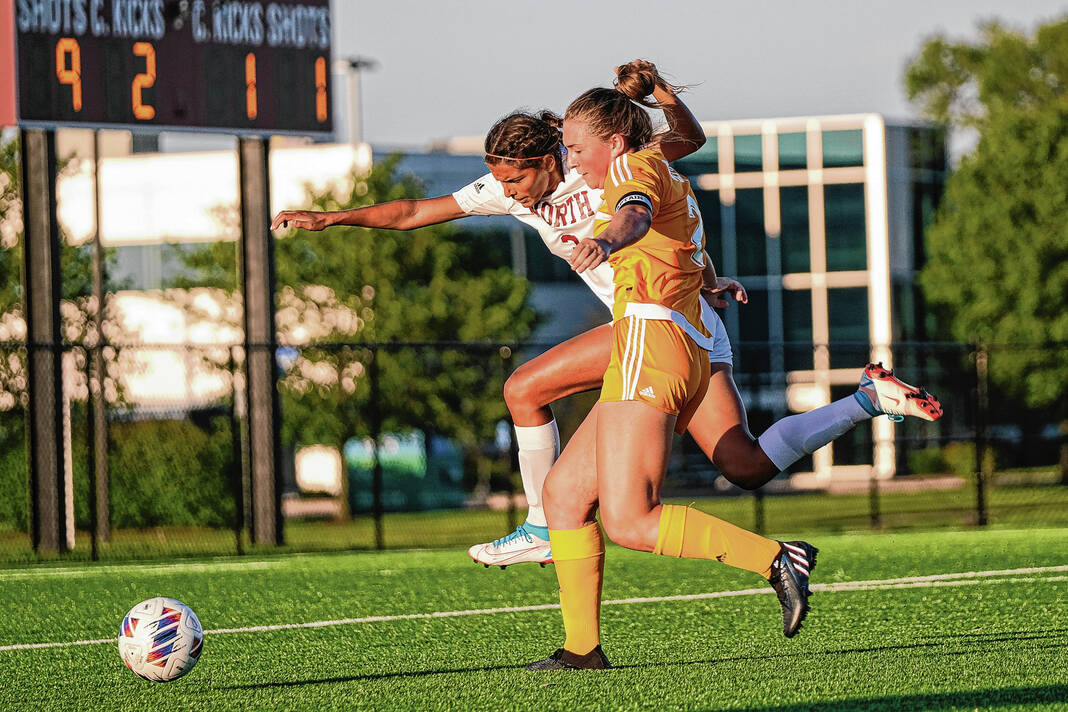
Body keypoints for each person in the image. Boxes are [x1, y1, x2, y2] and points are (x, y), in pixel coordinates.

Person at [270, 61, 943, 572]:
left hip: (653, 324)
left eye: (517, 180)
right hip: (685, 322)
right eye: (500, 182)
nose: (508, 193)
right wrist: (334, 219)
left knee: (525, 388)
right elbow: (415, 210)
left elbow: (660, 184)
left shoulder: (612, 167)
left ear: (552, 160)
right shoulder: (516, 190)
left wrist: (654, 123)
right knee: (743, 465)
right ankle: (866, 401)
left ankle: (542, 525)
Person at [523, 74, 938, 672]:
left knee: (631, 521)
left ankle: (777, 558)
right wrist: (711, 281)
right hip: (677, 340)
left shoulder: (631, 170)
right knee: (564, 494)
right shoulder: (661, 170)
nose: (572, 160)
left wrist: (607, 243)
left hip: (650, 342)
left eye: (577, 148)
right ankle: (581, 650)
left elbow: (634, 217)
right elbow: (680, 241)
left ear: (613, 142)